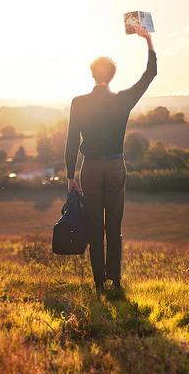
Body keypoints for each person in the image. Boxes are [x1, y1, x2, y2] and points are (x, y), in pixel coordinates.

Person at [64, 26, 157, 295]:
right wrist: (148, 40)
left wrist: (71, 175)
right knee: (113, 226)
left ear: (92, 74)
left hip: (89, 169)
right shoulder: (123, 100)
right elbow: (149, 75)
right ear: (113, 76)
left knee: (94, 226)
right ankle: (115, 281)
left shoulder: (78, 103)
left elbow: (71, 140)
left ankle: (99, 283)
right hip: (115, 166)